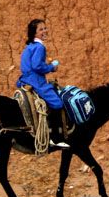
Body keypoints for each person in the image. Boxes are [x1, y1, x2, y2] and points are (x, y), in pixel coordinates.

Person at [16, 19, 70, 149]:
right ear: (34, 33)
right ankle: (54, 137)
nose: (44, 31)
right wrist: (51, 67)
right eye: (41, 29)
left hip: (25, 79)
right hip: (35, 80)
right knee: (57, 103)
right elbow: (37, 66)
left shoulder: (29, 47)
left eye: (45, 28)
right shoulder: (40, 47)